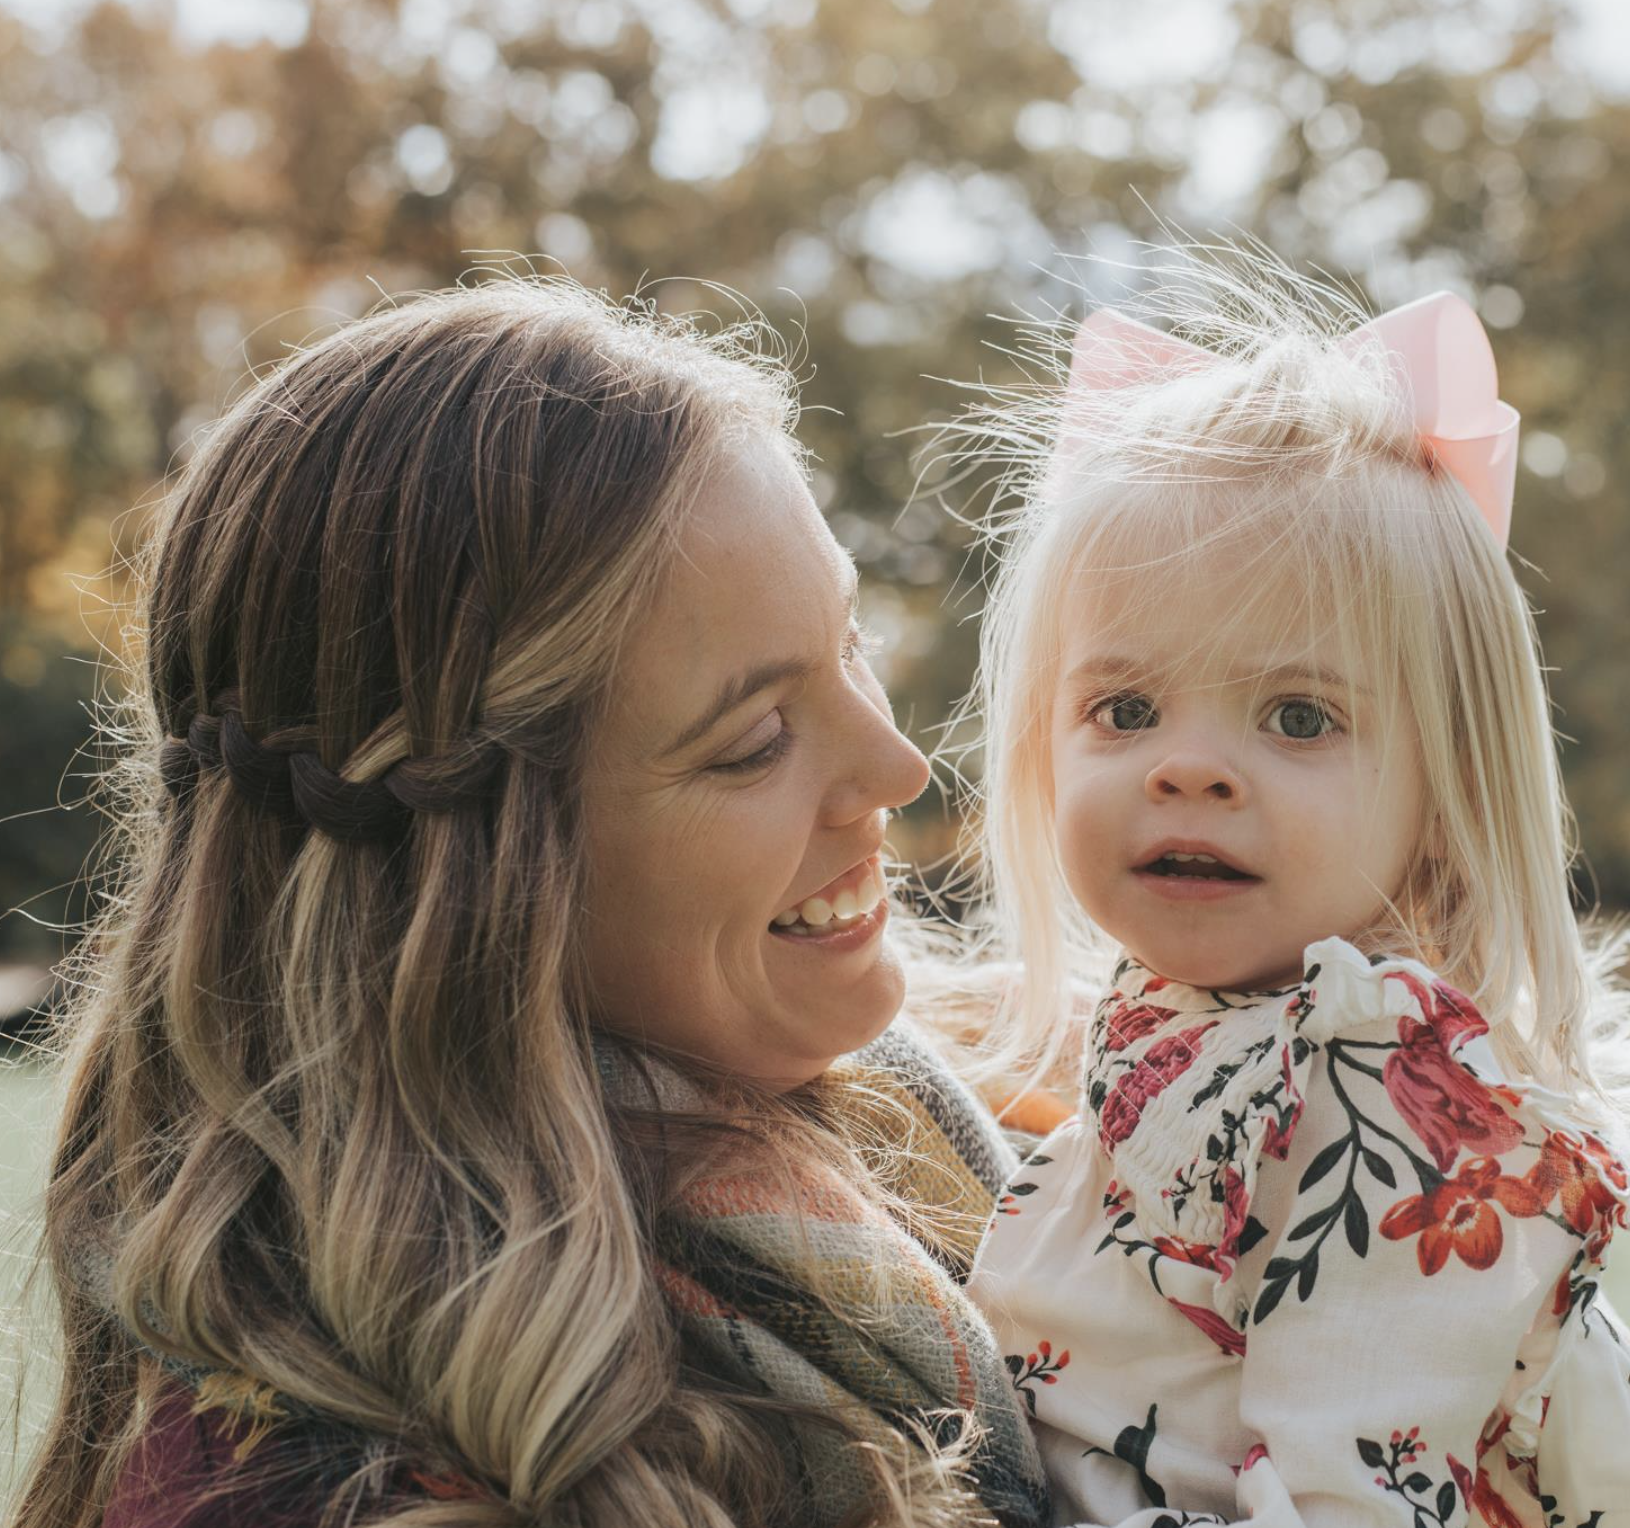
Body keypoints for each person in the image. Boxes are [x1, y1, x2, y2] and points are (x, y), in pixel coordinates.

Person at [13, 279, 1051, 1528]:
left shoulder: (1036, 1110)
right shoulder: (325, 1490)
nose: (898, 768)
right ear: (480, 891)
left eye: (852, 642)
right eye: (756, 738)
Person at [947, 252, 1630, 1527]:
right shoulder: (1194, 1028)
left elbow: (1351, 1503)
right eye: (1123, 707)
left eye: (1296, 715)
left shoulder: (1396, 1114)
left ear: (1444, 802)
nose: (1188, 769)